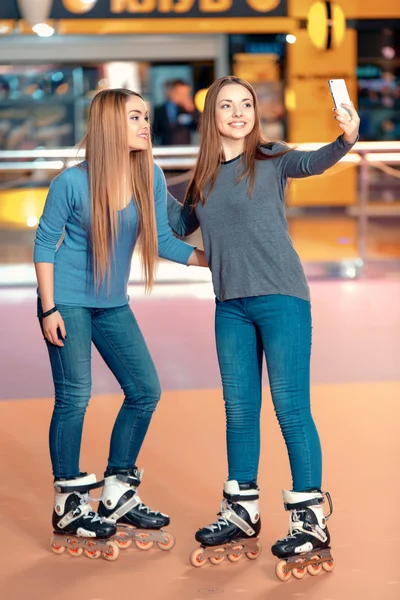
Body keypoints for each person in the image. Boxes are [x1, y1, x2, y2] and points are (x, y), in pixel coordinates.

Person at [166, 76, 360, 575]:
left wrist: (346, 139)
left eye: (245, 104)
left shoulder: (273, 158)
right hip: (230, 306)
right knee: (238, 411)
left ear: (255, 112)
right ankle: (241, 511)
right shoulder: (205, 177)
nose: (237, 112)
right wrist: (140, 176)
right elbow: (177, 225)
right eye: (226, 105)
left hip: (281, 299)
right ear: (212, 116)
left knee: (290, 409)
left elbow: (312, 162)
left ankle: (310, 521)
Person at [33, 88, 207, 560]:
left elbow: (166, 240)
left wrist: (212, 261)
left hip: (111, 304)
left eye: (146, 116)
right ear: (111, 123)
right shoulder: (71, 182)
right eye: (136, 117)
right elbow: (45, 244)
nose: (145, 125)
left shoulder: (145, 173)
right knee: (75, 396)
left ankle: (117, 490)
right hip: (66, 301)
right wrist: (48, 308)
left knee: (145, 389)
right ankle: (69, 504)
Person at [152, 79, 199, 146]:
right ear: (172, 92)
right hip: (165, 148)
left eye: (186, 93)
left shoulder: (187, 109)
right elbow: (155, 131)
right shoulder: (160, 110)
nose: (184, 96)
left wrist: (191, 111)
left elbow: (198, 127)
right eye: (180, 93)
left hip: (184, 149)